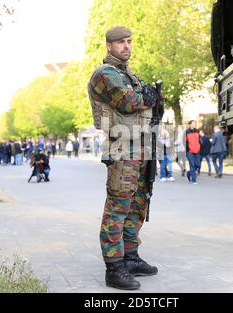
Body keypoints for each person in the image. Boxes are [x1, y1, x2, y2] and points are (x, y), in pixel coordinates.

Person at [87, 26, 159, 290]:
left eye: (129, 41)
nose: (127, 46)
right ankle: (114, 267)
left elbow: (149, 101)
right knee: (117, 208)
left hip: (142, 147)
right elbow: (128, 102)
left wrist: (150, 98)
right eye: (121, 43)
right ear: (109, 46)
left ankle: (130, 257)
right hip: (121, 149)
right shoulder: (105, 74)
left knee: (138, 205)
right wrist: (148, 97)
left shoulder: (129, 75)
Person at [185, 120, 201, 184]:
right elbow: (184, 142)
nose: (195, 124)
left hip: (197, 151)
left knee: (198, 165)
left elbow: (199, 140)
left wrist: (199, 147)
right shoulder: (186, 132)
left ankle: (189, 173)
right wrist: (187, 149)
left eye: (195, 123)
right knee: (192, 165)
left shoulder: (197, 131)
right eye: (193, 123)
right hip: (190, 152)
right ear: (190, 124)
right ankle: (194, 180)